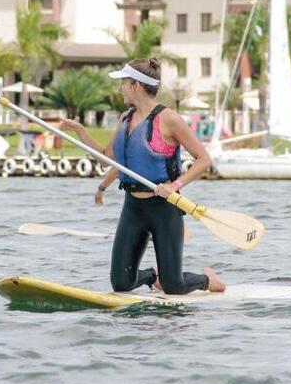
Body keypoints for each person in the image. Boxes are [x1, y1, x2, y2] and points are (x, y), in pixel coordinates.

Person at [60, 58, 225, 294]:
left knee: (174, 286)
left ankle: (207, 279)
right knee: (121, 283)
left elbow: (204, 159)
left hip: (164, 207)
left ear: (136, 86)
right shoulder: (125, 119)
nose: (120, 88)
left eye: (123, 83)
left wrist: (174, 184)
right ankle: (152, 275)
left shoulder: (168, 119)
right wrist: (80, 131)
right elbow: (107, 158)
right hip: (133, 207)